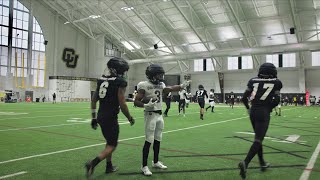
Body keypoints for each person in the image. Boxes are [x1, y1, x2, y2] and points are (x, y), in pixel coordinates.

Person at [134, 64, 190, 176]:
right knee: (149, 139)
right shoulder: (143, 85)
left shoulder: (161, 84)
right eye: (159, 74)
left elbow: (168, 89)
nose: (161, 76)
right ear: (152, 75)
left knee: (158, 139)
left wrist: (181, 86)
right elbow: (136, 101)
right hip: (150, 114)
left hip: (159, 115)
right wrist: (145, 106)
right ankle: (144, 166)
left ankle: (155, 162)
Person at [85, 57, 135, 178]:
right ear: (117, 70)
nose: (123, 73)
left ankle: (109, 166)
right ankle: (93, 163)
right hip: (110, 117)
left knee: (109, 142)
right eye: (122, 71)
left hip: (101, 116)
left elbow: (93, 100)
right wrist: (129, 117)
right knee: (112, 145)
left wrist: (93, 117)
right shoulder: (119, 82)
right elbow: (122, 103)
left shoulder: (101, 80)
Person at [239, 63, 283, 179]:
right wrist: (269, 108)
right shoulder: (277, 82)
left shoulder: (252, 80)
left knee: (258, 138)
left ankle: (262, 163)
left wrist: (248, 109)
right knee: (258, 139)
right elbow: (277, 100)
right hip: (263, 112)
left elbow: (244, 98)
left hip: (253, 111)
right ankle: (245, 162)